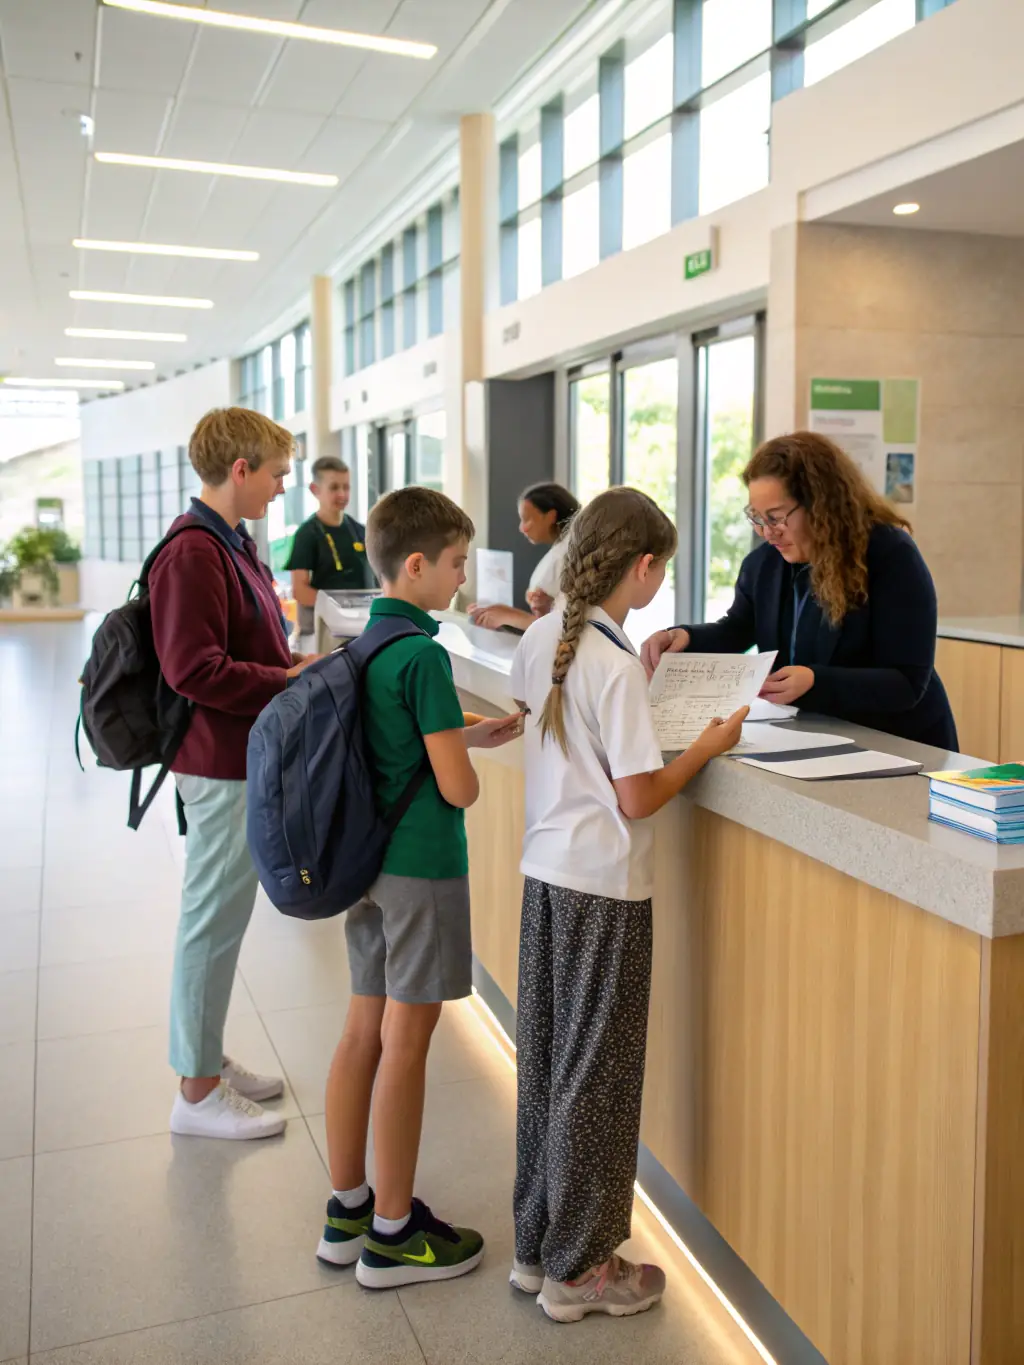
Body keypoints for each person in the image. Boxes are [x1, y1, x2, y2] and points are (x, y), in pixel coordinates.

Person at [507, 487, 746, 1323]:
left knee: (547, 1065)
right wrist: (709, 746)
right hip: (606, 889)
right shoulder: (609, 664)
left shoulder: (547, 639)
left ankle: (539, 1246)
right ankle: (582, 1269)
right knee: (596, 1078)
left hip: (547, 877)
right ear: (642, 569)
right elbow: (639, 796)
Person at [316, 486, 524, 1288]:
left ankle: (349, 1210)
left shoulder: (367, 643)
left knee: (360, 1033)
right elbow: (458, 789)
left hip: (365, 869)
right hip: (422, 870)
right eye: (455, 565)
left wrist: (466, 730)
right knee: (409, 1043)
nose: (461, 581)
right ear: (416, 564)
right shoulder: (427, 655)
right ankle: (397, 1234)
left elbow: (392, 740)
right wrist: (467, 755)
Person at [150, 407, 318, 1140]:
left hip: (242, 755)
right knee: (210, 919)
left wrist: (287, 669)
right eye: (279, 473)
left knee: (222, 918)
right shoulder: (194, 552)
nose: (285, 487)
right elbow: (193, 668)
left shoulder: (234, 542)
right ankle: (195, 1092)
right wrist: (288, 680)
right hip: (217, 763)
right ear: (241, 470)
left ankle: (205, 1055)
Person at [642, 431, 957, 749]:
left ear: (821, 506)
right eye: (757, 518)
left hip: (904, 744)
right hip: (822, 738)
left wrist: (816, 681)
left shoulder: (889, 555)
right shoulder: (764, 564)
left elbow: (906, 682)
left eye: (776, 518)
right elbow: (738, 629)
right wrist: (686, 638)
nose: (767, 533)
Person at [468, 482, 579, 631]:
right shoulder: (563, 550)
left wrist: (508, 615)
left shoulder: (565, 556)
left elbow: (562, 627)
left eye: (527, 519)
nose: (522, 528)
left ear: (551, 516)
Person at [285, 455, 374, 635]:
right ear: (315, 489)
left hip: (361, 627)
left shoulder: (361, 531)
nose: (341, 494)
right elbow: (300, 591)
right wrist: (337, 608)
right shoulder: (307, 534)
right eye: (334, 487)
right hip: (322, 631)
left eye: (346, 487)